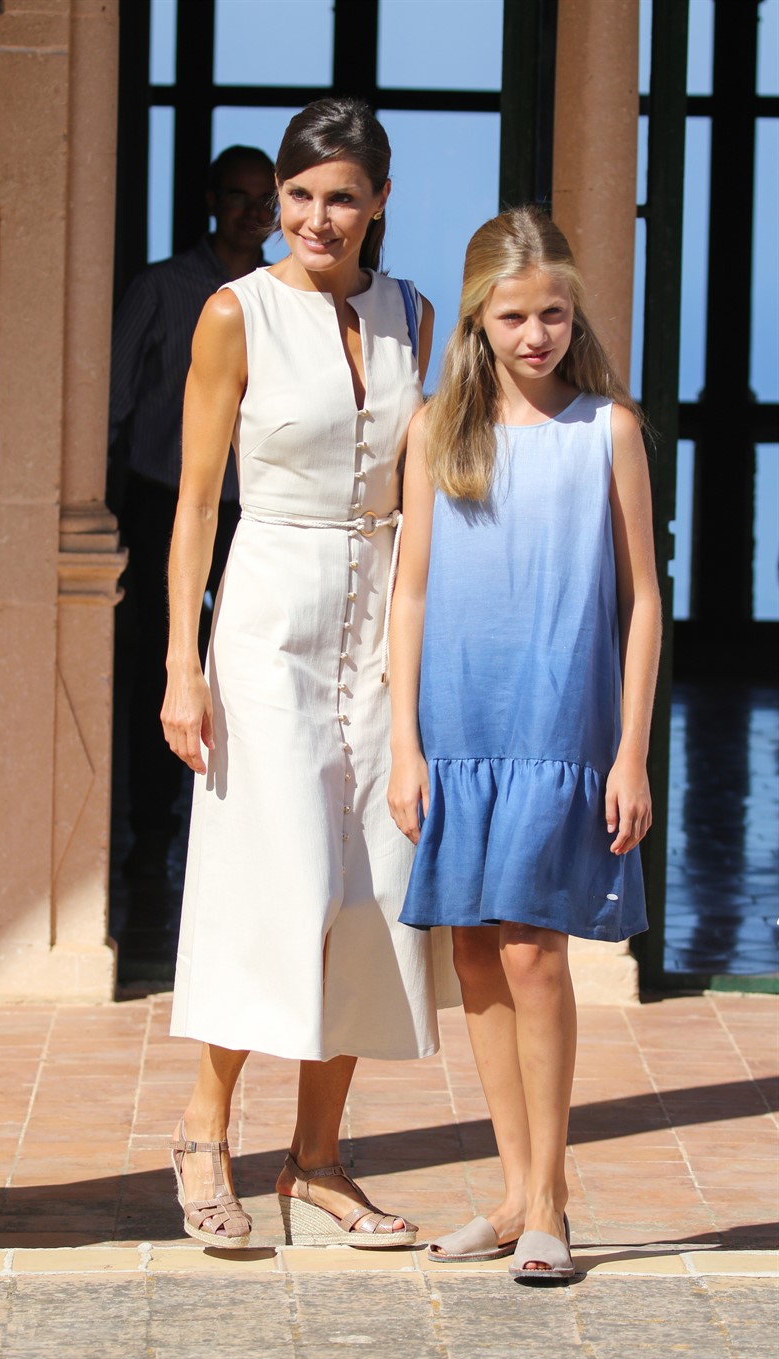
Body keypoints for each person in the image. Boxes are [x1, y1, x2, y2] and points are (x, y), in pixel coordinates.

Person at [161, 98, 458, 1250]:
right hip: (266, 619)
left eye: (340, 196)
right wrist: (181, 664)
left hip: (381, 622)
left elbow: (430, 487)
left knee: (367, 887)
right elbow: (196, 503)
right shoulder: (232, 313)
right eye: (298, 196)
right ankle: (203, 1135)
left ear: (379, 203)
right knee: (272, 879)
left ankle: (317, 1160)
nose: (315, 218)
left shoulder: (412, 314)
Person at [387, 207, 661, 1280]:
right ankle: (510, 1196)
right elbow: (410, 593)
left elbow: (642, 601)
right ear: (477, 319)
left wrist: (630, 751)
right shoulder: (434, 431)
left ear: (573, 313)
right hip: (458, 726)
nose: (536, 334)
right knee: (472, 955)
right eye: (513, 317)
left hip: (560, 727)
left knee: (533, 953)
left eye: (553, 313)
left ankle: (550, 1198)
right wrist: (407, 744)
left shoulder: (609, 431)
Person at [109, 146, 276, 879]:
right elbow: (112, 399)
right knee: (164, 659)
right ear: (212, 199)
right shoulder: (160, 288)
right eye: (237, 196)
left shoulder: (282, 297)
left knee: (251, 664)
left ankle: (246, 827)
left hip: (257, 511)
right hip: (162, 500)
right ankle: (151, 832)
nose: (252, 212)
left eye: (264, 200)